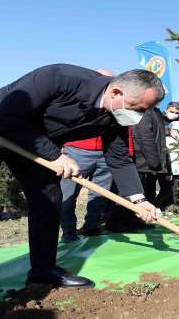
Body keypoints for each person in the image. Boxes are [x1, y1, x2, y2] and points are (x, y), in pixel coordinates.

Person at [0, 65, 163, 315]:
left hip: (33, 140)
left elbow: (119, 158)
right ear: (116, 92)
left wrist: (138, 199)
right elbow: (6, 118)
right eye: (138, 108)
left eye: (146, 111)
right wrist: (55, 155)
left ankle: (43, 270)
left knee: (48, 197)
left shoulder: (114, 114)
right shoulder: (59, 78)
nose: (139, 116)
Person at [59, 69, 114, 242]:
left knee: (100, 195)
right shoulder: (78, 98)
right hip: (77, 151)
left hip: (105, 154)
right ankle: (69, 232)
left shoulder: (114, 104)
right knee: (67, 194)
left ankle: (91, 227)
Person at [132, 106, 170, 208]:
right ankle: (127, 221)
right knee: (137, 195)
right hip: (142, 162)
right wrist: (154, 161)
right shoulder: (144, 111)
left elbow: (159, 138)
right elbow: (144, 136)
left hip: (150, 162)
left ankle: (140, 219)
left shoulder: (156, 111)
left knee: (148, 193)